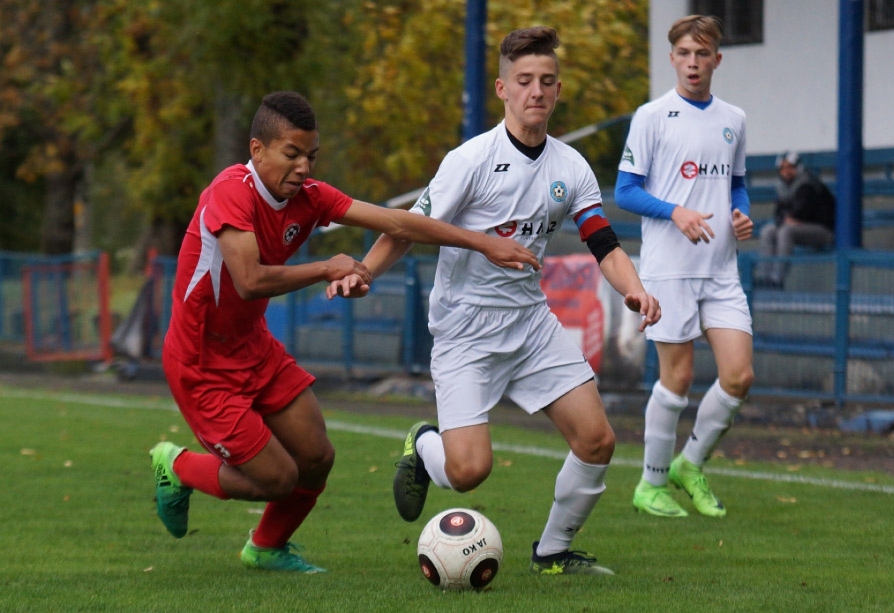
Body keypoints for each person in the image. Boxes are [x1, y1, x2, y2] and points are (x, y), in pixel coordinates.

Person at [149, 91, 540, 573]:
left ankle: (266, 547)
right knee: (276, 479)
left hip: (254, 350)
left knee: (316, 457)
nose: (303, 168)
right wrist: (327, 268)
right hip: (201, 364)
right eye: (291, 154)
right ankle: (178, 467)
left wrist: (482, 243)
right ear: (257, 151)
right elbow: (249, 281)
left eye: (310, 156)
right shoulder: (231, 191)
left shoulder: (310, 198)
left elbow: (400, 222)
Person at [327, 26, 660, 576]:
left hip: (530, 324)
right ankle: (424, 445)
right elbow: (408, 228)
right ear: (502, 89)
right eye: (525, 81)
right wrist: (365, 270)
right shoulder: (471, 160)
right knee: (468, 471)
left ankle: (553, 553)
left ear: (558, 90)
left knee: (598, 440)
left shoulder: (571, 167)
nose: (537, 92)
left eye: (548, 82)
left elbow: (603, 241)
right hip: (465, 329)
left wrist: (636, 288)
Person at [614, 15, 755, 518]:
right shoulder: (652, 116)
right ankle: (650, 484)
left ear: (717, 59)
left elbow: (736, 182)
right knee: (679, 376)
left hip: (721, 268)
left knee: (739, 375)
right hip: (669, 268)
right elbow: (625, 191)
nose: (693, 63)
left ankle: (689, 464)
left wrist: (743, 213)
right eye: (684, 54)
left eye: (703, 54)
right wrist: (675, 211)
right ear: (672, 58)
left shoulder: (734, 118)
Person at [755, 151, 835, 288]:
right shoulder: (783, 187)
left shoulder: (807, 183)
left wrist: (792, 220)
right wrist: (787, 220)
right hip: (798, 229)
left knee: (785, 231)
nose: (786, 171)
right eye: (783, 168)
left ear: (798, 168)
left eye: (790, 167)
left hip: (823, 230)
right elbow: (779, 214)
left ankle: (777, 279)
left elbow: (803, 212)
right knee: (768, 231)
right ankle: (764, 276)